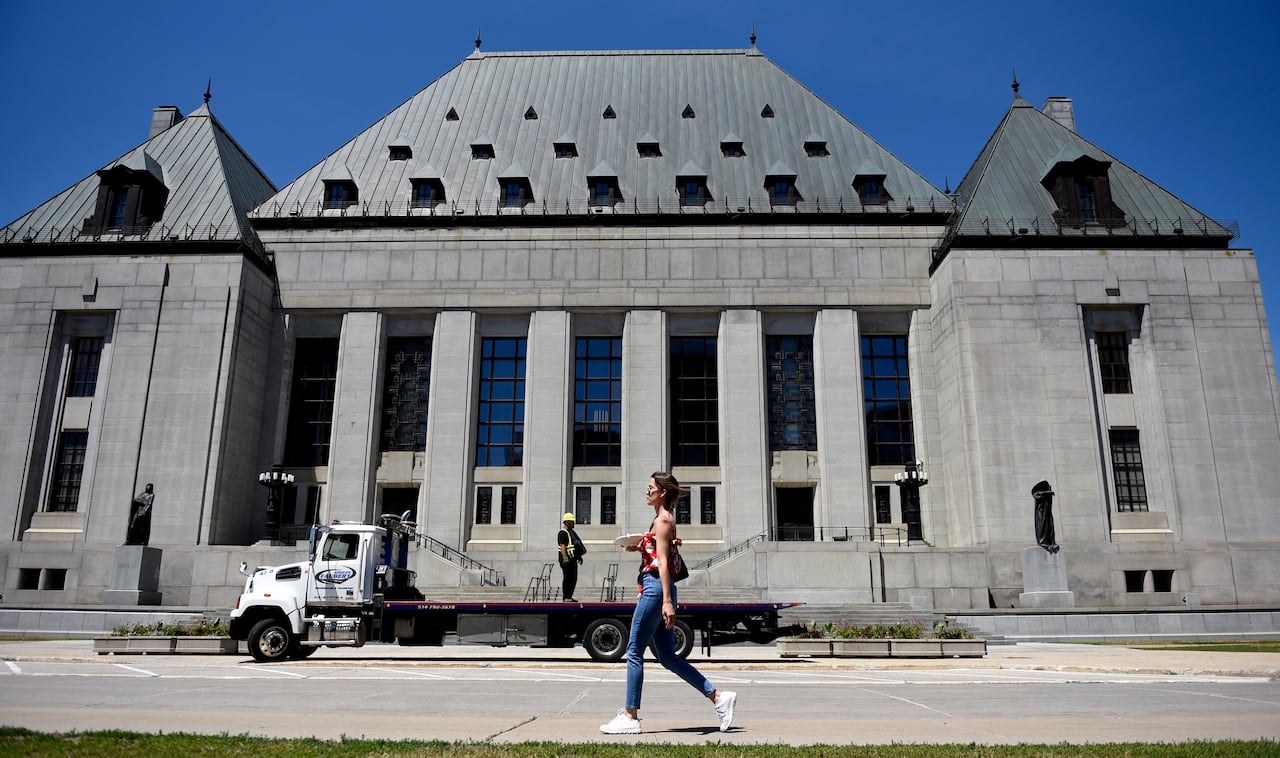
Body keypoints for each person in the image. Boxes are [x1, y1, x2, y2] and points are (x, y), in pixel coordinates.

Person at [599, 471, 736, 735]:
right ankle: (718, 698)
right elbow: (658, 554)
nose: (646, 491)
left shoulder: (662, 521)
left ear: (662, 492)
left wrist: (667, 602)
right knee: (668, 657)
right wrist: (640, 545)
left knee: (634, 651)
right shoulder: (661, 520)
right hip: (658, 588)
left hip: (655, 589)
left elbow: (663, 562)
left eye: (650, 487)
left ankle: (630, 716)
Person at [557, 512, 585, 602]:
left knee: (573, 578)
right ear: (567, 522)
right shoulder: (563, 533)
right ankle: (566, 597)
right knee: (568, 578)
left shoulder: (571, 532)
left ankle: (569, 596)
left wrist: (578, 557)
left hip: (572, 559)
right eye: (572, 522)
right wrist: (565, 558)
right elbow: (562, 546)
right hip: (566, 560)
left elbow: (573, 545)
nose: (573, 523)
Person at [1032, 480, 1060, 554]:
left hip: (1047, 514)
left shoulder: (1046, 496)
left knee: (1050, 527)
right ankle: (1044, 543)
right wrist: (1048, 492)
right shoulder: (1037, 493)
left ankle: (1051, 542)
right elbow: (1038, 494)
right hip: (1041, 515)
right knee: (1043, 528)